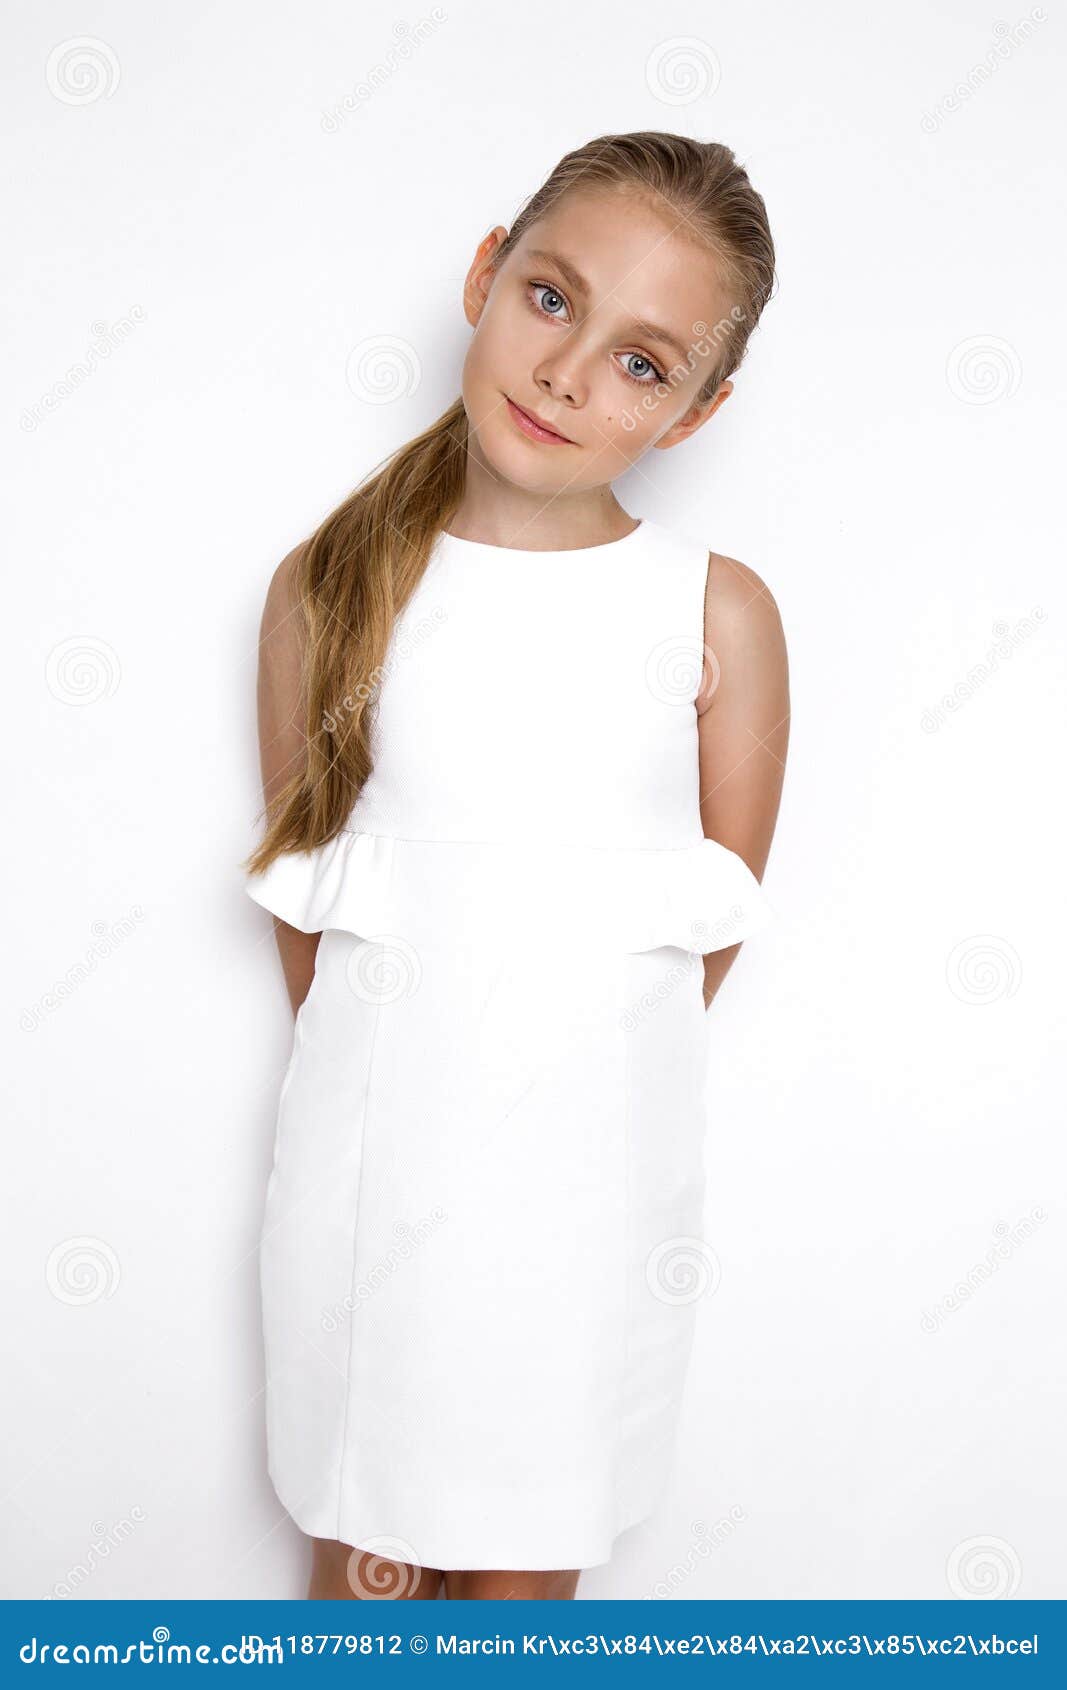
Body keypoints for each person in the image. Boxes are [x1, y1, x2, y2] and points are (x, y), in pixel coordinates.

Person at [243, 130, 789, 1602]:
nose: (567, 375)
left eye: (642, 361)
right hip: (370, 1191)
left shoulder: (713, 614)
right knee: (369, 1578)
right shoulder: (330, 588)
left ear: (697, 409)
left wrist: (556, 1087)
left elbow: (708, 923)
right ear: (487, 275)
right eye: (554, 301)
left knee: (522, 1587)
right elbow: (318, 916)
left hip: (588, 1201)